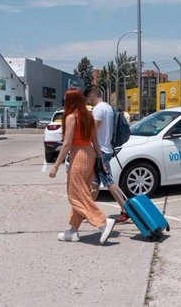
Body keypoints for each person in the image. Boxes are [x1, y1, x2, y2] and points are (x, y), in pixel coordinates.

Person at [49, 87, 116, 244]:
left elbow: (66, 145)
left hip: (78, 156)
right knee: (81, 192)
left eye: (66, 99)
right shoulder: (88, 116)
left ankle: (102, 222)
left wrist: (56, 165)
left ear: (71, 101)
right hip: (90, 155)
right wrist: (101, 161)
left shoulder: (71, 117)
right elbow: (95, 142)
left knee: (75, 195)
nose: (64, 102)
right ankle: (73, 230)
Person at [85, 86, 130, 223]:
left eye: (88, 97)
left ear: (93, 94)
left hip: (101, 152)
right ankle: (86, 212)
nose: (88, 100)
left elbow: (91, 131)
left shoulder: (98, 109)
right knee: (94, 183)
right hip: (106, 149)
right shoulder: (108, 108)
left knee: (109, 182)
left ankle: (125, 210)